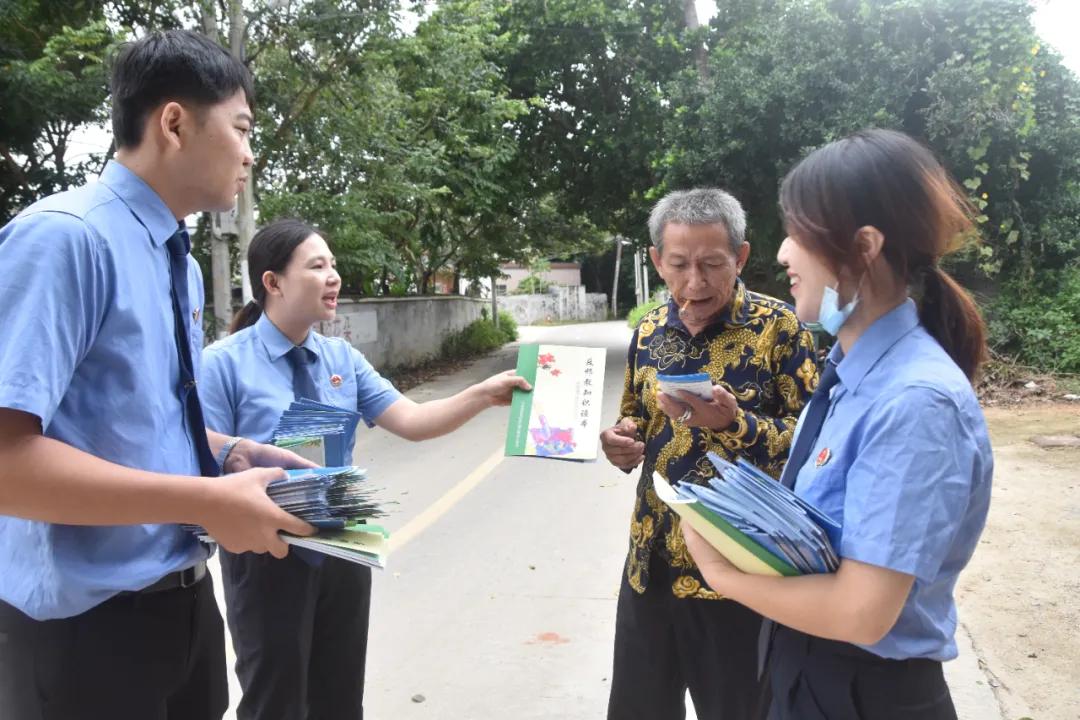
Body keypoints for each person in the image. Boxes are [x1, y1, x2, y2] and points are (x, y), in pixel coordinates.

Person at [0, 30, 318, 720]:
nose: (250, 153)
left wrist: (223, 454)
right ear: (174, 123)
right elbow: (7, 464)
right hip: (85, 636)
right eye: (240, 129)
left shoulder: (176, 256)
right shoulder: (66, 238)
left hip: (182, 603)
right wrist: (205, 502)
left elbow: (122, 422)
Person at [681, 129, 993, 720]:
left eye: (799, 234)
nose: (781, 254)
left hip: (868, 691)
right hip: (805, 672)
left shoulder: (915, 400)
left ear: (863, 248)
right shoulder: (851, 376)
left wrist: (721, 574)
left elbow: (861, 612)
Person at [198, 218, 531, 720]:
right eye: (317, 266)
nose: (333, 276)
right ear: (273, 282)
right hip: (267, 554)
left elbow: (413, 420)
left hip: (342, 546)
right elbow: (202, 459)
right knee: (275, 699)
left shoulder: (341, 358)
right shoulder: (222, 364)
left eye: (333, 264)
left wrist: (482, 395)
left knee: (339, 696)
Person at [599, 188, 818, 719]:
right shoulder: (648, 330)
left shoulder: (779, 329)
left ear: (740, 258)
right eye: (678, 265)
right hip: (650, 567)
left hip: (738, 575)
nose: (694, 283)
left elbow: (814, 446)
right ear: (656, 261)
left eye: (712, 264)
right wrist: (620, 443)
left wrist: (736, 423)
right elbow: (636, 419)